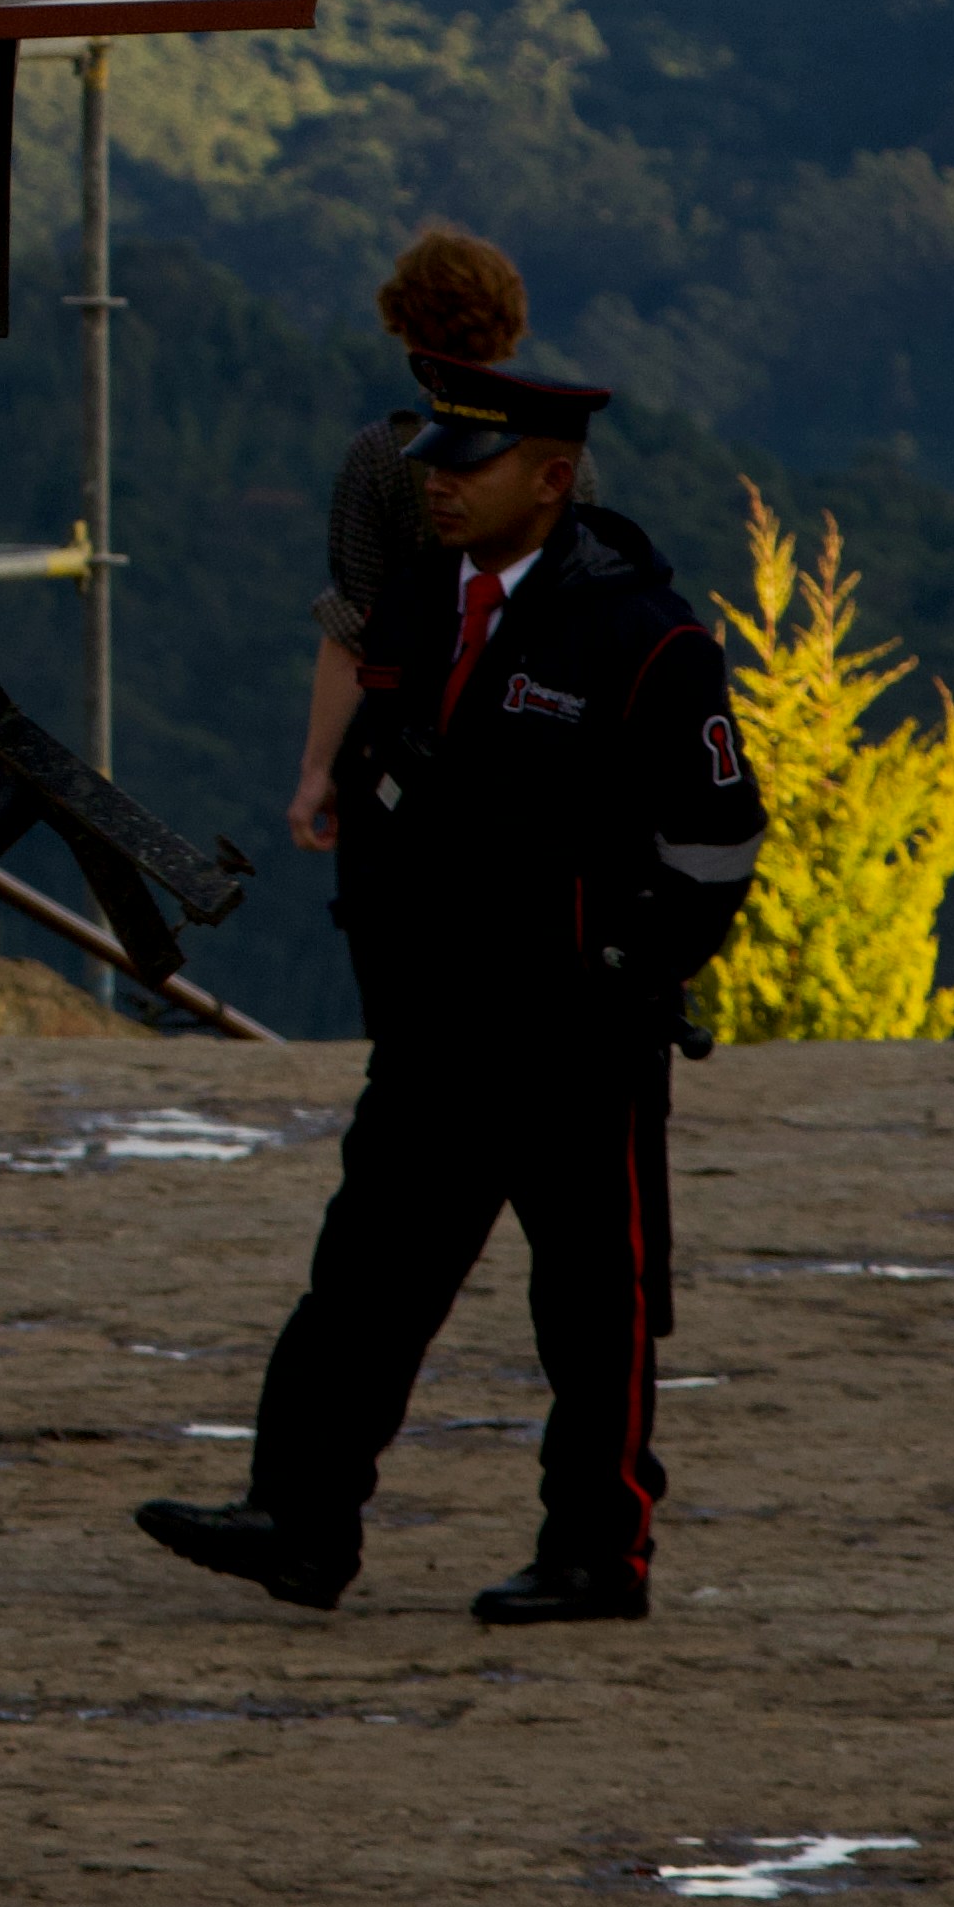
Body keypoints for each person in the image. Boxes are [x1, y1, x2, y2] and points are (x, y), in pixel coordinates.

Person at [147, 363, 762, 1626]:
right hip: (434, 1028)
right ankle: (299, 1519)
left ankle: (598, 1552)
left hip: (577, 1041)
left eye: (470, 463)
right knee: (363, 1279)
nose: (438, 482)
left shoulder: (647, 635)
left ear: (550, 477)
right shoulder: (424, 601)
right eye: (435, 457)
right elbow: (388, 782)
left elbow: (716, 841)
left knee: (593, 1306)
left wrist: (625, 973)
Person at [287, 226, 531, 850]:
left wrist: (317, 771)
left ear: (406, 322)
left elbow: (353, 631)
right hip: (527, 752)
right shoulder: (557, 461)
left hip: (402, 760)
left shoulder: (382, 456)